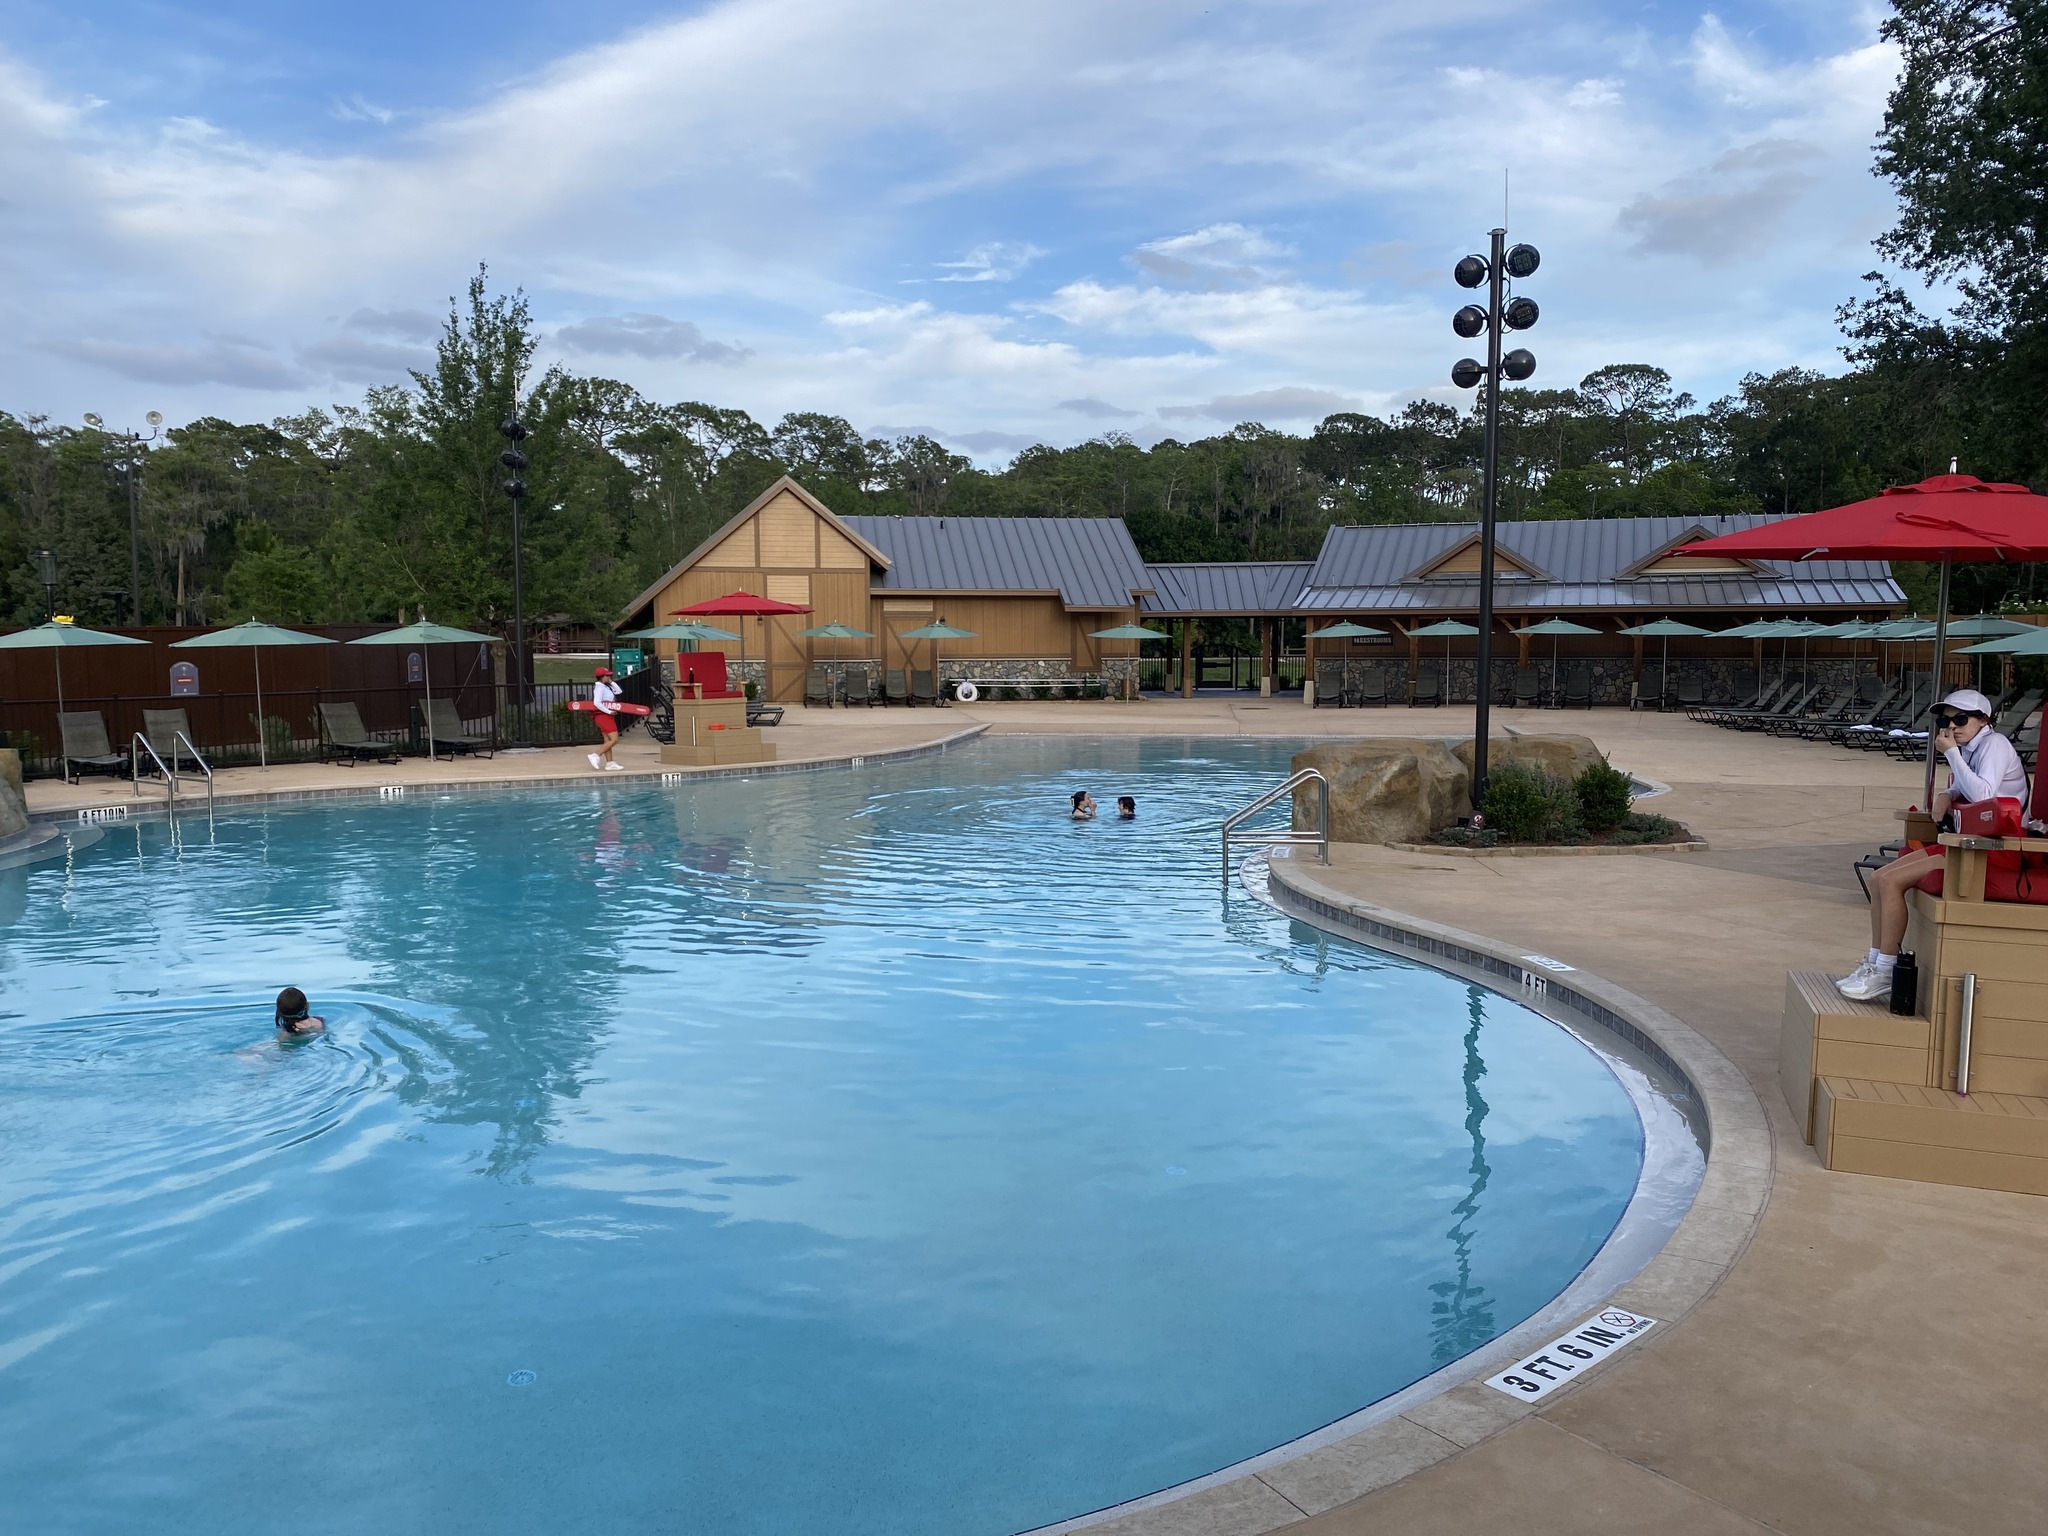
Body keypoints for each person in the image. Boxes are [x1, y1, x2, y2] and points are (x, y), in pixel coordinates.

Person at [1841, 688, 2029, 1002]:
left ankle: (1887, 969)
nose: (1952, 726)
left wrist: (1951, 754)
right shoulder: (1971, 747)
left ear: (1983, 720)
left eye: (1961, 718)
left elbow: (1984, 794)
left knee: (1890, 882)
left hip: (1996, 851)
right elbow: (1964, 786)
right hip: (1967, 844)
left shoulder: (1994, 745)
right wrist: (1946, 794)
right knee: (1878, 879)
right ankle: (1874, 963)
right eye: (1946, 719)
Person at [588, 666, 625, 772]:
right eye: (607, 675)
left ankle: (610, 763)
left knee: (607, 740)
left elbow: (618, 691)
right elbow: (597, 703)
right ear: (601, 677)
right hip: (603, 716)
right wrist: (609, 711)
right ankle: (596, 755)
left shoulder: (606, 686)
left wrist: (611, 681)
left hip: (607, 716)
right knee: (614, 739)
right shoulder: (599, 688)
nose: (609, 676)